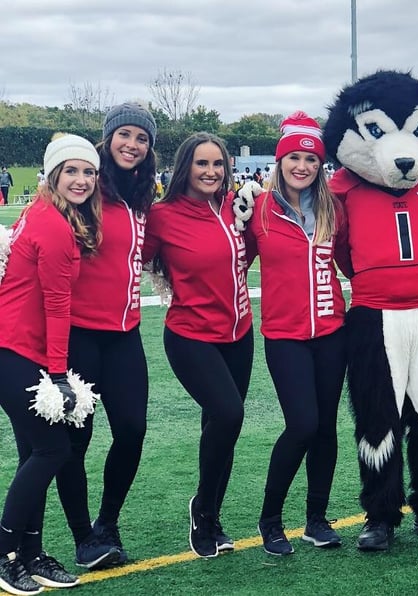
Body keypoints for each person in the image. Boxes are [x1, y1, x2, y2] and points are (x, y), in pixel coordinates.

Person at [55, 102, 158, 570]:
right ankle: (82, 538)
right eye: (125, 135)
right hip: (78, 334)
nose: (132, 145)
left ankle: (107, 523)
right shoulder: (87, 188)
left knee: (132, 430)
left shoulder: (142, 196)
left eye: (141, 138)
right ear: (108, 137)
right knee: (76, 439)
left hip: (125, 335)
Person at [142, 132, 254, 559]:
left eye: (218, 164)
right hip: (190, 336)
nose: (211, 172)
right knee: (228, 412)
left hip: (239, 334)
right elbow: (132, 257)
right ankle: (203, 509)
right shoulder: (162, 215)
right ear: (185, 166)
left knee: (223, 428)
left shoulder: (234, 207)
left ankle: (211, 515)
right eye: (201, 164)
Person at [0, 133, 102, 594]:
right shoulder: (55, 226)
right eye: (72, 170)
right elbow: (58, 304)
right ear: (54, 173)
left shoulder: (44, 212)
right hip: (18, 348)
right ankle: (5, 554)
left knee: (33, 453)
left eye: (89, 172)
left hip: (17, 346)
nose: (81, 180)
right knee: (53, 451)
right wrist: (59, 375)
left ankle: (31, 553)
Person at [245, 112, 347, 556]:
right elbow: (231, 259)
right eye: (294, 158)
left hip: (331, 331)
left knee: (325, 429)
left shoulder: (332, 208)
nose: (302, 166)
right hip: (284, 334)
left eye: (310, 158)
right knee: (302, 424)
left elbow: (352, 262)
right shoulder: (258, 209)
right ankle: (270, 519)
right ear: (281, 161)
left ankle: (316, 519)